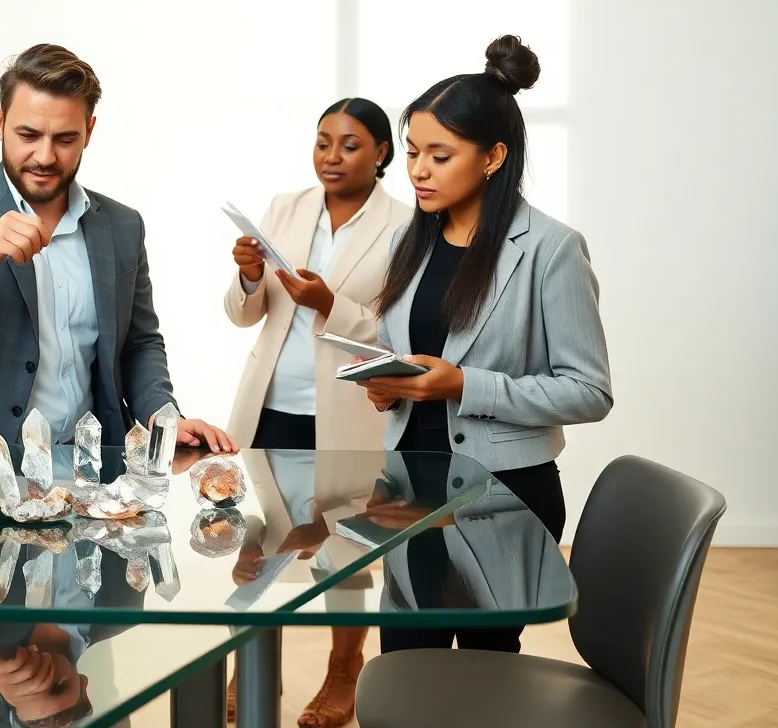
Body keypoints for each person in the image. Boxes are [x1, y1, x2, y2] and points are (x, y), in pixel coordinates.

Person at [352, 35, 613, 655]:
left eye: (439, 156)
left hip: (506, 496)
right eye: (413, 152)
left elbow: (590, 391)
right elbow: (412, 356)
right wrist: (390, 386)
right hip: (408, 486)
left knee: (482, 679)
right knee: (405, 667)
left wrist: (462, 385)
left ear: (493, 157)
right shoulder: (405, 243)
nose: (417, 170)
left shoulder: (551, 249)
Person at [0, 43, 234, 451]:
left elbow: (140, 342)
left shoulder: (124, 226)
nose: (45, 155)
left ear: (89, 131)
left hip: (92, 468)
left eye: (65, 138)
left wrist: (165, 418)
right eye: (28, 135)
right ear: (0, 121)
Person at [222, 97, 411, 727]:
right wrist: (249, 278)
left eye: (350, 144)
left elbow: (397, 337)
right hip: (269, 407)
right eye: (323, 141)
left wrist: (331, 302)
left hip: (349, 415)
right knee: (263, 546)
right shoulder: (287, 208)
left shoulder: (407, 227)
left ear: (382, 152)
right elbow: (247, 314)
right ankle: (253, 672)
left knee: (345, 558)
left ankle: (343, 672)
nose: (332, 156)